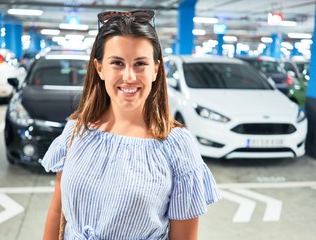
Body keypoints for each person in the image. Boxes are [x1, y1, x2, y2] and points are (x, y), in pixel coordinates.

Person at [41, 9, 221, 240]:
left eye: (140, 64)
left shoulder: (177, 146)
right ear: (99, 68)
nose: (129, 77)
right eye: (117, 63)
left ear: (156, 69)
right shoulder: (77, 129)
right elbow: (58, 211)